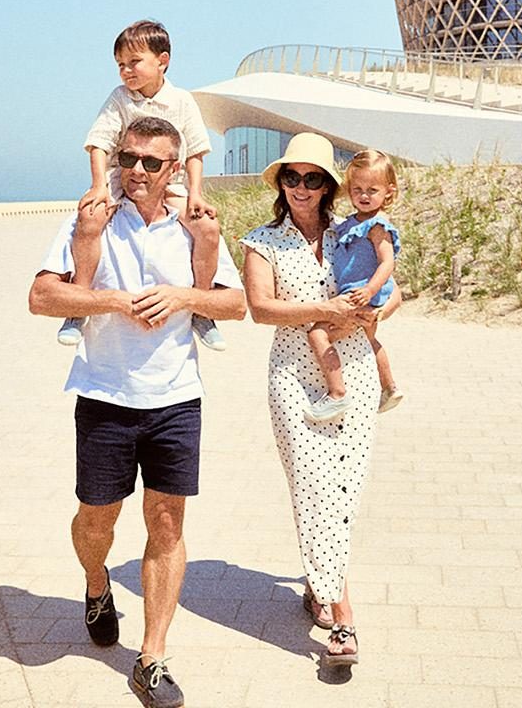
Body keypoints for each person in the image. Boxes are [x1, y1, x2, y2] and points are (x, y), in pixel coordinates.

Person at [28, 116, 245, 708]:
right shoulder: (91, 219)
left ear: (175, 169)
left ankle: (151, 657)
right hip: (104, 393)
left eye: (152, 162)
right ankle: (96, 583)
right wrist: (114, 301)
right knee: (97, 519)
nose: (138, 171)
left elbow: (235, 303)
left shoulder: (195, 227)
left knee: (167, 522)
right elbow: (42, 296)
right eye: (129, 158)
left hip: (176, 397)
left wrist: (183, 296)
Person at [240, 132, 401, 670]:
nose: (301, 188)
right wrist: (324, 307)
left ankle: (319, 580)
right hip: (293, 375)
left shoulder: (354, 229)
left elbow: (394, 285)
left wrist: (379, 311)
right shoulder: (262, 241)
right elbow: (261, 310)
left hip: (352, 371)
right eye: (292, 177)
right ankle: (342, 617)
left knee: (343, 492)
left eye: (312, 178)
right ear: (280, 183)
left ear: (329, 185)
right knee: (314, 487)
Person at [57, 20, 226, 352]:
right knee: (90, 220)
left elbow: (195, 152)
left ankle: (202, 309)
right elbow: (99, 143)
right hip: (123, 179)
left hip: (171, 183)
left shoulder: (182, 100)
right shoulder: (120, 98)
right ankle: (79, 303)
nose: (126, 71)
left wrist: (195, 194)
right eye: (120, 65)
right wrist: (98, 187)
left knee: (207, 228)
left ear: (162, 60)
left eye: (134, 62)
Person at [304, 149, 404, 423]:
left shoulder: (377, 225)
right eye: (357, 188)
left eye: (372, 189)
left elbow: (387, 263)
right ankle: (389, 386)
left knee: (317, 335)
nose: (364, 195)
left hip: (361, 294)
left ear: (388, 192)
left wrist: (371, 291)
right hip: (358, 292)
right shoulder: (350, 223)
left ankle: (337, 392)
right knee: (370, 339)